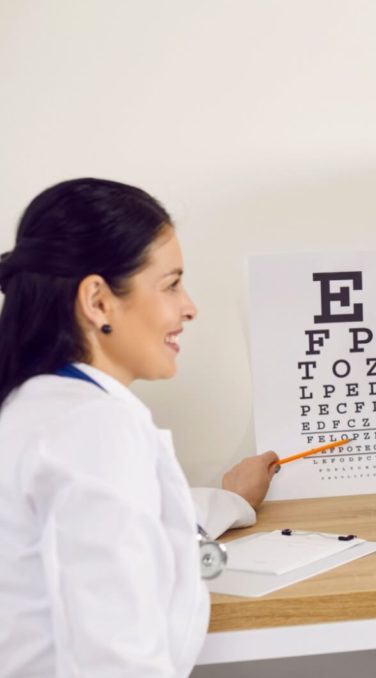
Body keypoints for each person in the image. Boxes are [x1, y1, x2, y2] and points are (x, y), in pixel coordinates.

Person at [0, 178, 274, 677]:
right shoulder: (90, 428)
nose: (189, 307)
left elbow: (127, 523)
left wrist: (233, 500)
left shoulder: (40, 408)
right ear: (99, 301)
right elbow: (116, 660)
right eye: (170, 285)